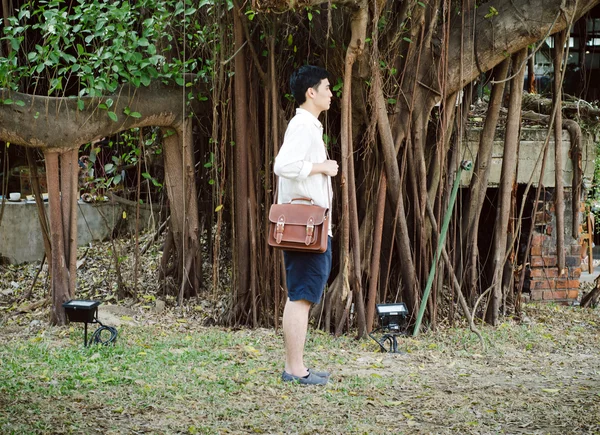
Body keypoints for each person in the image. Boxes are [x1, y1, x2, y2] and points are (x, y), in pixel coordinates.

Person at [273, 65, 338, 386]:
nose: (331, 92)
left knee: (303, 295)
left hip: (314, 227)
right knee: (300, 297)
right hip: (307, 230)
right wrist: (321, 166)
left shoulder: (310, 126)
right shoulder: (302, 125)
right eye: (326, 87)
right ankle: (294, 370)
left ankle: (296, 365)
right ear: (310, 92)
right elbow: (282, 165)